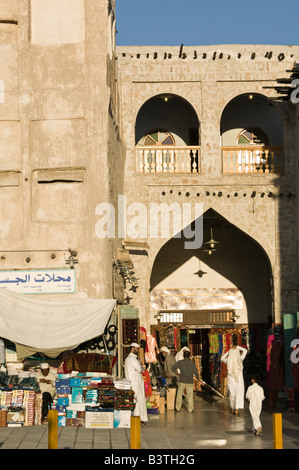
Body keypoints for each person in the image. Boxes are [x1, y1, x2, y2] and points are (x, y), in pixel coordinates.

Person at [221, 337, 247, 415]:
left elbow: (222, 358)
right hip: (239, 379)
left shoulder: (228, 360)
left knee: (232, 393)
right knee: (239, 393)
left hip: (231, 378)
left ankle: (232, 408)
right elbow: (245, 351)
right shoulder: (240, 359)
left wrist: (229, 352)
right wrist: (237, 347)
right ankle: (236, 409)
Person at [124, 342, 148, 425]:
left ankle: (139, 418)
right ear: (132, 348)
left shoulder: (132, 359)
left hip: (136, 383)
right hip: (134, 383)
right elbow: (139, 368)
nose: (138, 350)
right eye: (137, 349)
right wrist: (141, 367)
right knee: (137, 401)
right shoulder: (131, 359)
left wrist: (140, 367)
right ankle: (137, 419)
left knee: (138, 400)